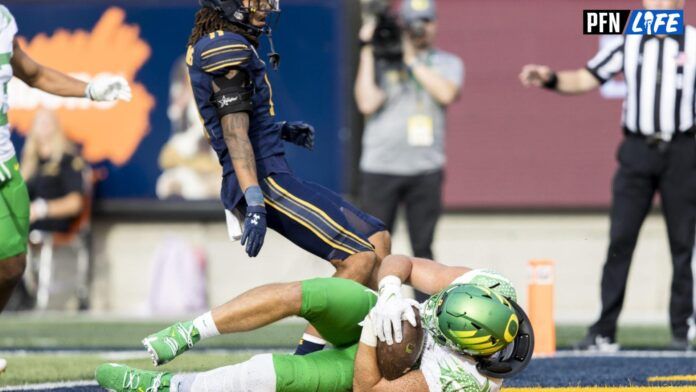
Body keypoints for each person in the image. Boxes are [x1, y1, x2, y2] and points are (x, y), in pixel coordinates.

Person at [185, 0, 390, 355]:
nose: (266, 5)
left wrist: (277, 130)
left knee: (378, 238)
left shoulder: (235, 41)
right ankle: (308, 358)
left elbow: (244, 121)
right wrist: (252, 198)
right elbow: (234, 133)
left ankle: (364, 346)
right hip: (261, 180)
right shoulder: (223, 47)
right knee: (360, 258)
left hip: (270, 170)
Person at [519, 0, 696, 351]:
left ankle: (683, 330)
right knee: (620, 240)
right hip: (636, 150)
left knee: (683, 244)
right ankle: (604, 329)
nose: (659, 4)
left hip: (682, 151)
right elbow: (586, 76)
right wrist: (551, 78)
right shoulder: (627, 39)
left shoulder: (691, 41)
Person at [95, 254, 532, 392]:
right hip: (390, 313)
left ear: (466, 347)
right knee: (311, 293)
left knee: (271, 374)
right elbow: (404, 262)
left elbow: (369, 389)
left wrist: (370, 333)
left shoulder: (465, 379)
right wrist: (392, 290)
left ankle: (163, 388)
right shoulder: (487, 287)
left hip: (380, 366)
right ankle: (190, 331)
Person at [0, 4, 130, 372]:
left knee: (11, 266)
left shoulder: (4, 19)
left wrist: (89, 89)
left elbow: (35, 73)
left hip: (6, 163)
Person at [355, 0, 463, 301]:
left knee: (423, 247)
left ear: (435, 24)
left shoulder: (447, 62)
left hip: (425, 170)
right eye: (413, 22)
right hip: (381, 167)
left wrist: (412, 59)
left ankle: (426, 317)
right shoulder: (382, 59)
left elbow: (446, 93)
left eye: (426, 21)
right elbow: (366, 102)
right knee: (372, 248)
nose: (420, 28)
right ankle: (371, 312)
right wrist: (366, 48)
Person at [21, 109, 86, 232]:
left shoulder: (67, 159)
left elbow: (75, 203)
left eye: (48, 122)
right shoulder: (29, 162)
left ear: (56, 127)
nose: (43, 126)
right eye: (40, 122)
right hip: (25, 220)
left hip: (51, 222)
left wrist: (41, 209)